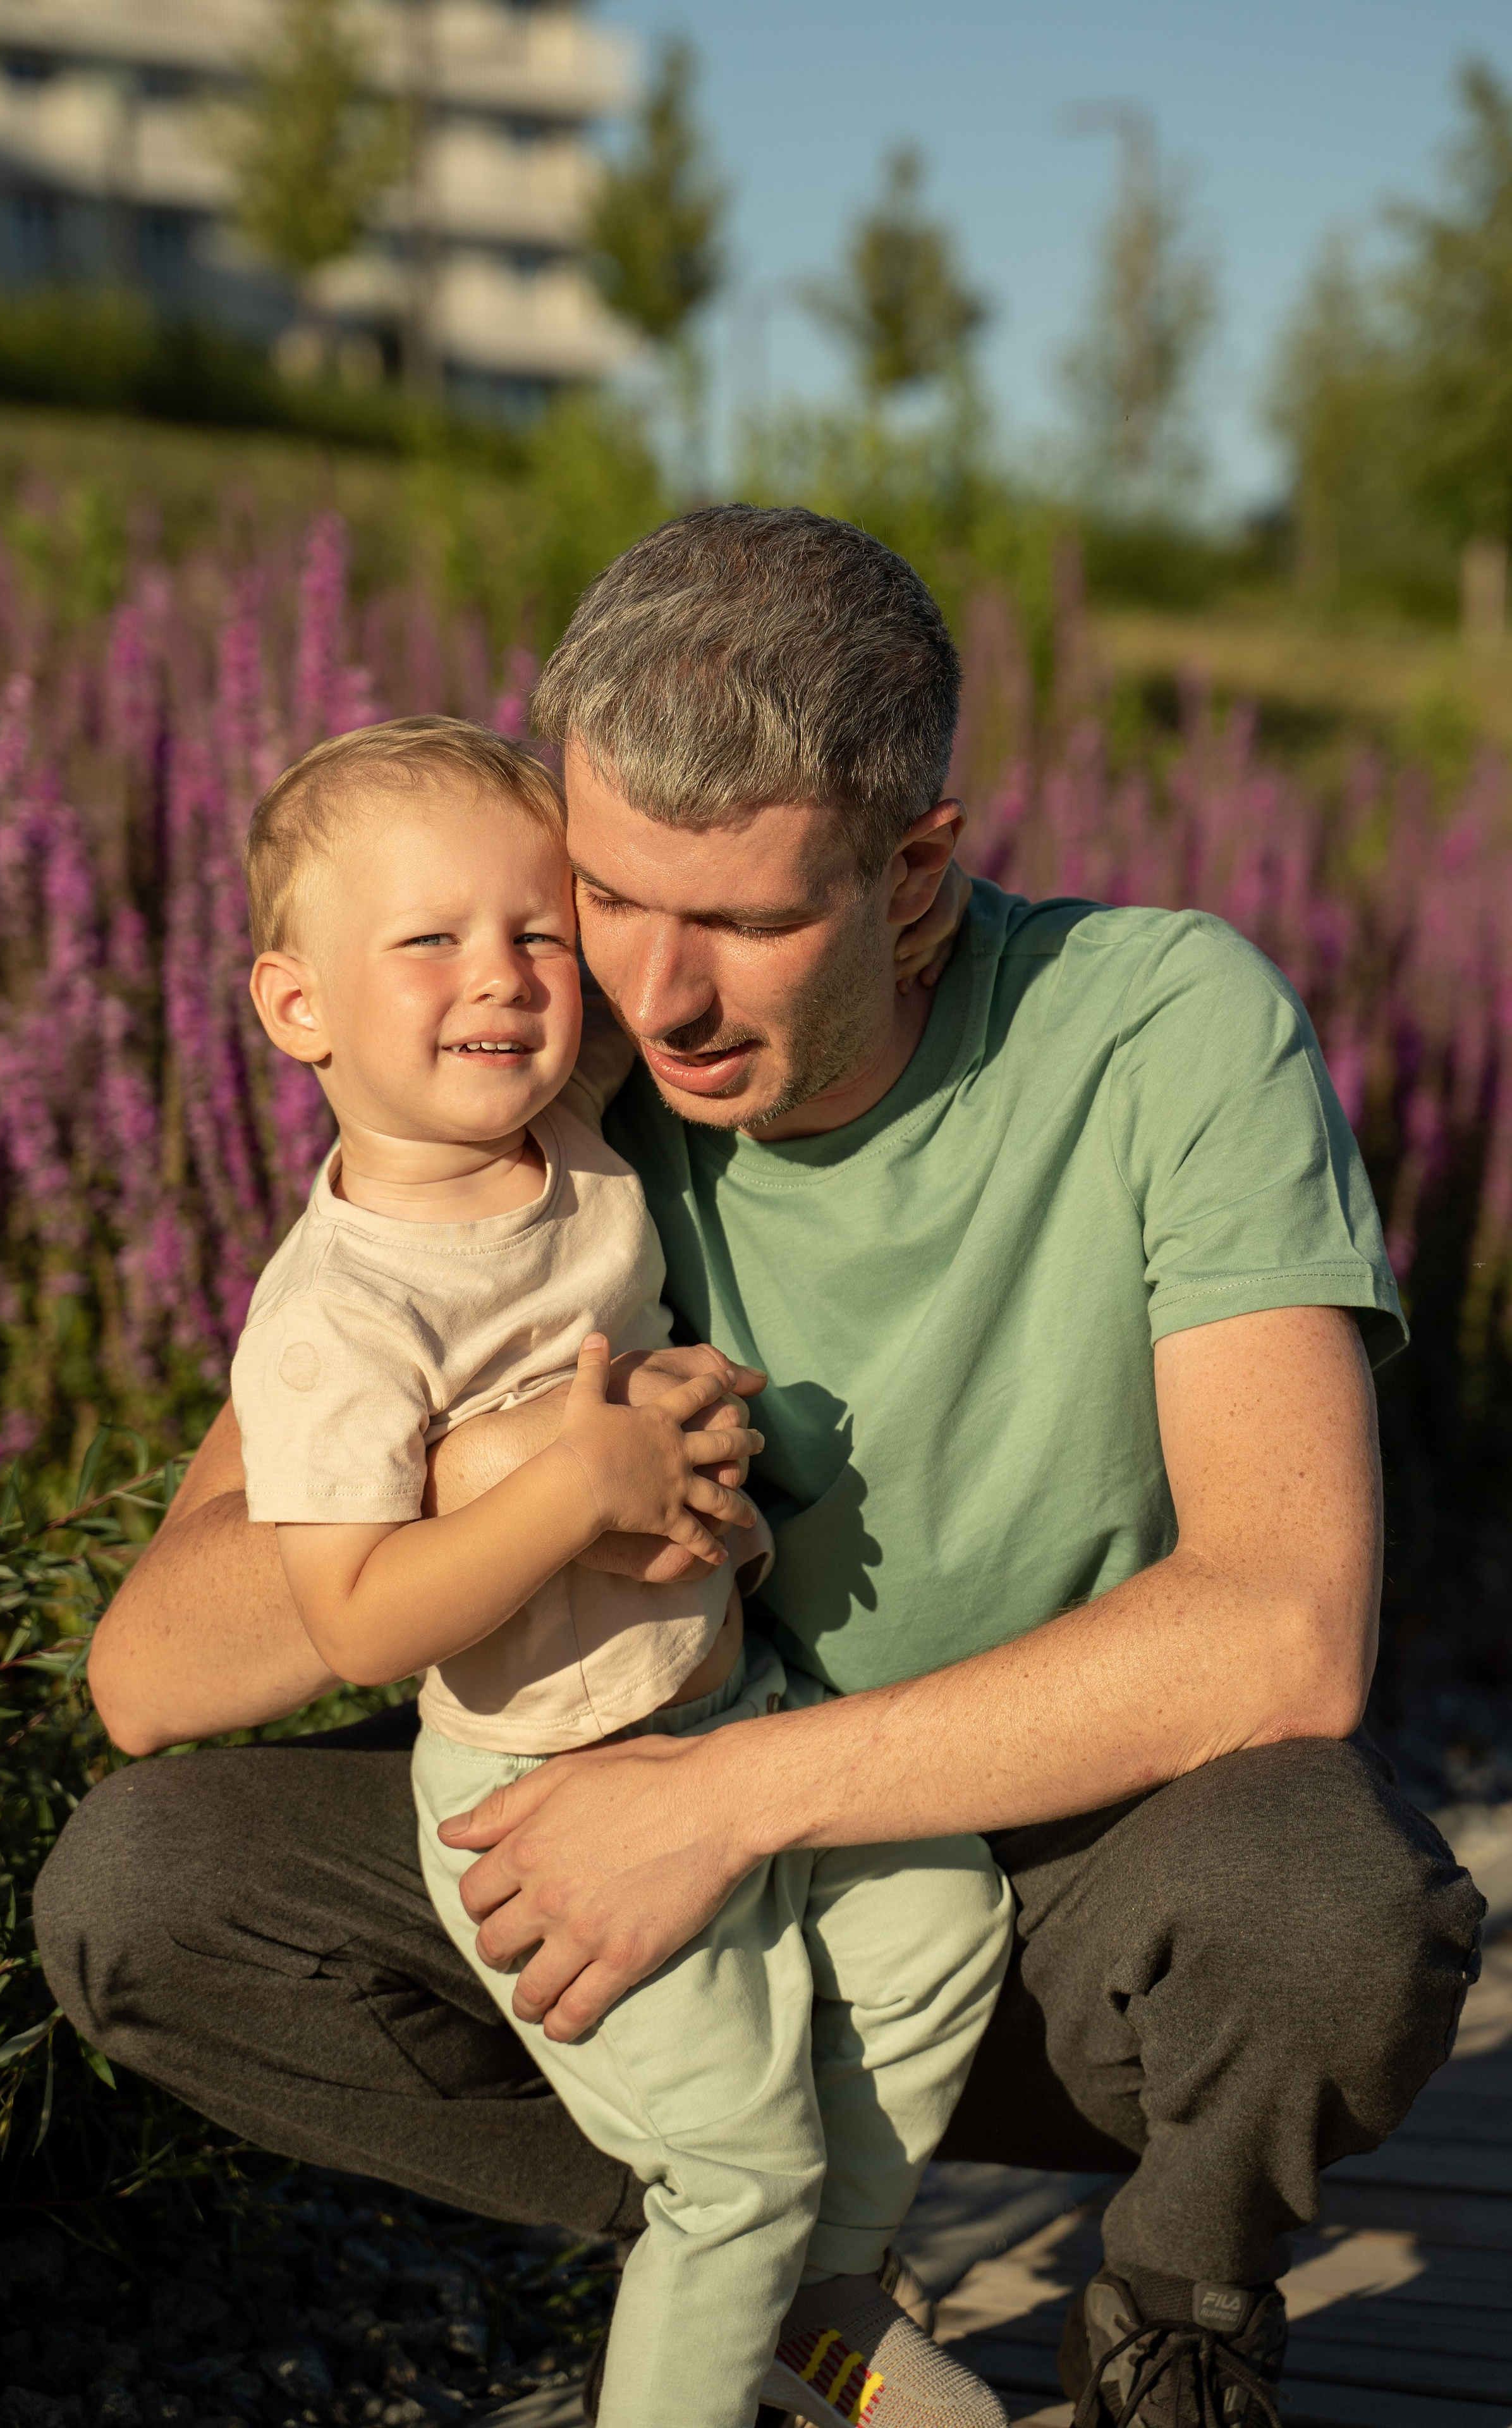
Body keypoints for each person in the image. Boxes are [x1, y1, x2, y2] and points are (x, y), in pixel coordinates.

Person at [37, 508, 1485, 2428]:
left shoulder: (1167, 1030)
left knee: (1333, 1913)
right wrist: (523, 1473)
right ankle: (762, 2249)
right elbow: (157, 1672)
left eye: (746, 923)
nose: (659, 994)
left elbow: (1286, 1634)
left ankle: (1173, 2315)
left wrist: (726, 1796)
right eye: (609, 900)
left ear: (913, 873)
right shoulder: (552, 1087)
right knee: (141, 1893)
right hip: (665, 1905)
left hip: (1046, 1905)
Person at [223, 711, 1013, 2428]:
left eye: (535, 934)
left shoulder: (562, 1125)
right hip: (537, 1786)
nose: (500, 977)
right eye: (425, 944)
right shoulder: (334, 1320)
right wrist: (579, 1479)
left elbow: (714, 960)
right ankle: (736, 2308)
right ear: (300, 1010)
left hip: (728, 1702)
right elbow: (355, 1616)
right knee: (731, 2165)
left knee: (944, 1911)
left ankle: (822, 2303)